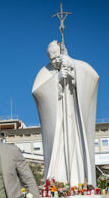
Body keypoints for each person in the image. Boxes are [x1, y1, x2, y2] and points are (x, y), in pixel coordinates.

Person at [32, 40, 99, 187]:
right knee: (59, 151)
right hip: (58, 123)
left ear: (64, 52)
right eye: (52, 59)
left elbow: (93, 78)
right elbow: (37, 92)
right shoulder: (45, 72)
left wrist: (74, 68)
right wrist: (56, 80)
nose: (55, 61)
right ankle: (59, 182)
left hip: (75, 121)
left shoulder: (79, 65)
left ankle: (81, 181)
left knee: (78, 150)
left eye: (57, 57)